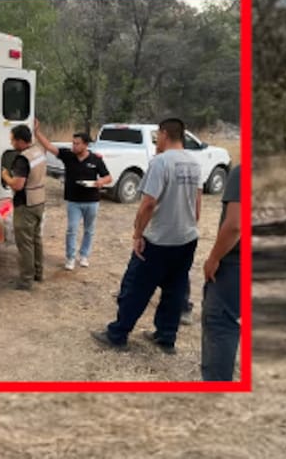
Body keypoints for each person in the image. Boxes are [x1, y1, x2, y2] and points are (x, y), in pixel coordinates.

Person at [93, 118, 201, 354]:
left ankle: (118, 334)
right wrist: (190, 224)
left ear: (164, 134)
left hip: (159, 239)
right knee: (175, 289)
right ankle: (166, 337)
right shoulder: (194, 162)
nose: (156, 141)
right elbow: (197, 201)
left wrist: (138, 234)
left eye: (157, 136)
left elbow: (149, 203)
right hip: (187, 238)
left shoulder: (161, 162)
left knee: (136, 287)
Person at [34, 120, 112, 270]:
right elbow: (49, 146)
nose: (73, 146)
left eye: (77, 144)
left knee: (89, 230)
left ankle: (84, 256)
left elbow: (108, 177)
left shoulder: (96, 160)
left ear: (85, 145)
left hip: (92, 201)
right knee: (71, 230)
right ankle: (70, 257)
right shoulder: (68, 156)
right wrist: (37, 132)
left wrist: (100, 182)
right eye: (73, 143)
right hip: (73, 201)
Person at [201, 164, 242, 380]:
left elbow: (235, 225)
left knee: (221, 326)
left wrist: (214, 258)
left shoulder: (244, 171)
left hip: (236, 264)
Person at [1, 124, 47, 291]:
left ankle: (26, 280)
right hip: (39, 201)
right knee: (36, 239)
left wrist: (5, 175)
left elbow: (17, 185)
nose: (11, 143)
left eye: (13, 140)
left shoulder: (23, 159)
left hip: (26, 204)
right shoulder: (38, 151)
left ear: (20, 141)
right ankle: (38, 273)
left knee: (25, 244)